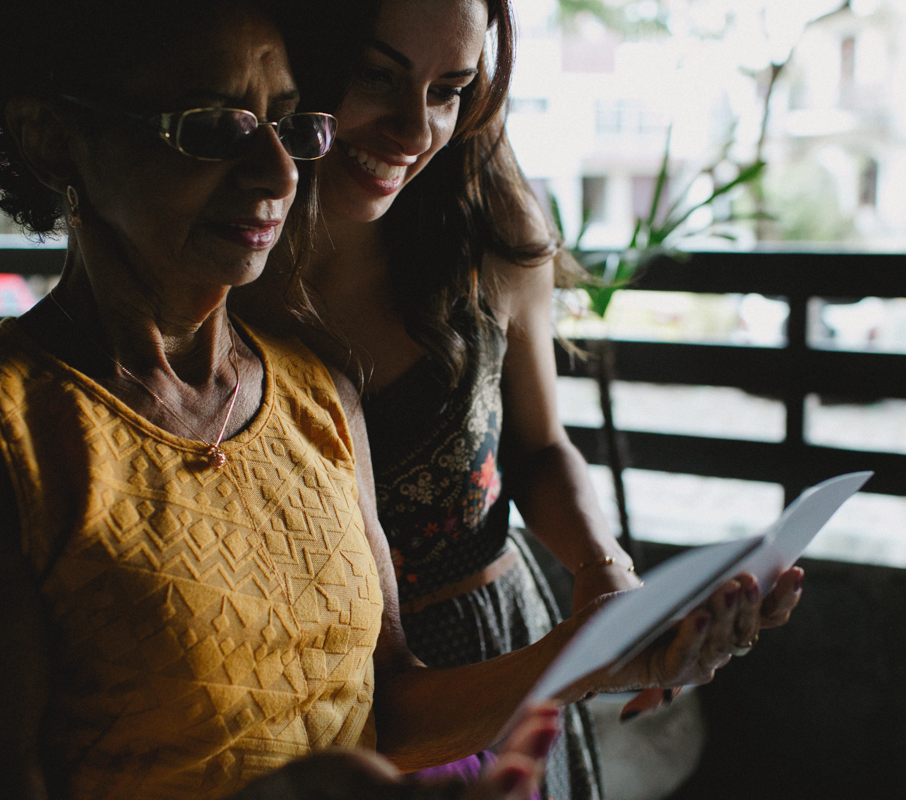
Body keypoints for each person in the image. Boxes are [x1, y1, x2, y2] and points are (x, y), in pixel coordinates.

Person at [0, 1, 796, 799]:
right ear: (48, 137)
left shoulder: (316, 391)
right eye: (213, 128)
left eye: (290, 126)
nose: (279, 175)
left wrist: (612, 649)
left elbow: (388, 707)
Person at [233, 1, 806, 798]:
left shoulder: (482, 220)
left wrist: (606, 576)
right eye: (377, 76)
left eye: (449, 90)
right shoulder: (214, 251)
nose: (414, 131)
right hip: (290, 691)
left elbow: (537, 449)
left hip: (495, 642)